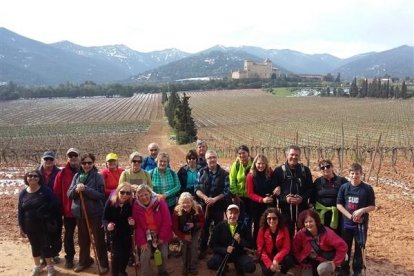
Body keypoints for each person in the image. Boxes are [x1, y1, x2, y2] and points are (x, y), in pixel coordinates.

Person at [67, 153, 109, 274]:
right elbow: (69, 194)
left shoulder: (97, 177)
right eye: (84, 163)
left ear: (93, 163)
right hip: (80, 213)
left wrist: (86, 189)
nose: (86, 165)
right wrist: (76, 189)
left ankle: (103, 264)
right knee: (83, 239)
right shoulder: (76, 176)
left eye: (89, 163)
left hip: (95, 213)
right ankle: (84, 261)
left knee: (99, 239)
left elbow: (101, 195)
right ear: (81, 164)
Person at [337, 163, 376, 276]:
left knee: (359, 246)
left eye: (357, 173)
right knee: (345, 246)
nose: (354, 176)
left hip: (361, 224)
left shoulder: (367, 189)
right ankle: (344, 269)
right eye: (352, 173)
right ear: (349, 174)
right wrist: (350, 216)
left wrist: (362, 210)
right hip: (346, 223)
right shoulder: (344, 187)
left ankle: (357, 270)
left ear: (361, 174)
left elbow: (372, 206)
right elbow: (339, 205)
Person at [18, 170, 59, 276]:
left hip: (43, 224)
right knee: (34, 245)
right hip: (29, 224)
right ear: (26, 178)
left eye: (35, 176)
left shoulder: (46, 191)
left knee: (45, 245)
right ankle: (37, 266)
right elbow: (20, 210)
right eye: (30, 176)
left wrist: (46, 214)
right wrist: (21, 227)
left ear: (39, 178)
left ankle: (50, 267)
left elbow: (54, 205)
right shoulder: (23, 193)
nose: (32, 178)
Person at [271, 145, 313, 238]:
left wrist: (302, 198)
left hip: (302, 208)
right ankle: (288, 251)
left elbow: (310, 188)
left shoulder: (305, 170)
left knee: (303, 232)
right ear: (287, 155)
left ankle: (301, 251)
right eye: (292, 154)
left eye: (296, 155)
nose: (294, 157)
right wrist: (285, 198)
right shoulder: (278, 171)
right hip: (285, 209)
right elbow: (274, 190)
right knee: (286, 232)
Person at [195, 150, 230, 260]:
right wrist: (205, 198)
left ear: (217, 158)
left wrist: (214, 199)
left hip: (218, 206)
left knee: (219, 228)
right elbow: (196, 189)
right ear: (206, 159)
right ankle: (203, 249)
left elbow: (226, 191)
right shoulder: (201, 172)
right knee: (204, 228)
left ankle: (217, 250)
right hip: (205, 206)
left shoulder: (224, 174)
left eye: (214, 157)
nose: (212, 160)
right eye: (209, 158)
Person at [132, 184, 172, 276]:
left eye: (146, 194)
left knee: (163, 254)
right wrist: (142, 242)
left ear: (150, 193)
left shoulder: (160, 202)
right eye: (141, 195)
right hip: (146, 234)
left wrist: (161, 237)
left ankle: (162, 272)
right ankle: (144, 274)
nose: (144, 197)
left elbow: (167, 221)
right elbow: (137, 226)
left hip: (160, 233)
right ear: (138, 197)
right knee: (145, 256)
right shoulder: (136, 206)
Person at [293, 209, 347, 276]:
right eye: (306, 222)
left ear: (315, 221)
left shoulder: (327, 232)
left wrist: (335, 262)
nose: (308, 224)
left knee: (322, 269)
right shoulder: (300, 234)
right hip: (310, 262)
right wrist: (301, 261)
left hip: (326, 260)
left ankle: (333, 272)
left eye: (311, 221)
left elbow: (343, 246)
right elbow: (295, 249)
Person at [207, 204, 256, 275]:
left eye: (235, 213)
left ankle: (239, 267)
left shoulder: (243, 226)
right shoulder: (219, 226)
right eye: (230, 213)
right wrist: (225, 249)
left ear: (238, 214)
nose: (233, 216)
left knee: (250, 267)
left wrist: (240, 241)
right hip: (223, 254)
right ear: (226, 213)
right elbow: (212, 245)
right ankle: (224, 268)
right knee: (212, 264)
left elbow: (250, 244)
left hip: (239, 254)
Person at [53, 148, 80, 269]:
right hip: (68, 211)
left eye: (75, 155)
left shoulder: (84, 170)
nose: (73, 158)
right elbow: (57, 192)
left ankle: (84, 257)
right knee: (69, 235)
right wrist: (60, 209)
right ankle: (69, 258)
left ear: (78, 157)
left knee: (83, 235)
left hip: (82, 211)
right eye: (70, 156)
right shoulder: (62, 173)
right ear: (67, 158)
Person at [103, 183, 135, 276]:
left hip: (127, 233)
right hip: (114, 233)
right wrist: (108, 224)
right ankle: (115, 273)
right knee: (116, 256)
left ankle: (122, 272)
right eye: (122, 192)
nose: (125, 195)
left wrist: (132, 221)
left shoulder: (131, 203)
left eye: (128, 193)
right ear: (118, 192)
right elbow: (104, 218)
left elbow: (135, 217)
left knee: (126, 254)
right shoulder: (110, 202)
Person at [246, 153, 279, 246]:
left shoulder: (270, 173)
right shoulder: (250, 176)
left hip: (270, 203)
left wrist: (277, 188)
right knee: (258, 225)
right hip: (257, 205)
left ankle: (270, 244)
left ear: (266, 164)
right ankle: (257, 246)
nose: (261, 166)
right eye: (259, 163)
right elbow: (250, 193)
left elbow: (275, 185)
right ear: (255, 164)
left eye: (263, 163)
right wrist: (262, 200)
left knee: (271, 224)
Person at [37, 150, 62, 264]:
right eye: (46, 159)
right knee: (41, 232)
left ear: (54, 161)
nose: (48, 161)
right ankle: (43, 256)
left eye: (50, 159)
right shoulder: (36, 173)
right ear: (42, 160)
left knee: (56, 231)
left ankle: (55, 253)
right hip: (39, 208)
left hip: (55, 207)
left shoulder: (59, 172)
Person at [172, 192, 205, 275]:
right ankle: (185, 266)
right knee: (184, 247)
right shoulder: (177, 211)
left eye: (188, 202)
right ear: (180, 203)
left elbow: (202, 222)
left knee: (193, 246)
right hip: (182, 232)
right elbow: (175, 228)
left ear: (192, 202)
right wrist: (183, 236)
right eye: (183, 202)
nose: (186, 205)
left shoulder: (197, 208)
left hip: (195, 230)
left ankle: (193, 266)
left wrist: (194, 225)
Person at [313, 159, 348, 236]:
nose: (325, 168)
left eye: (328, 166)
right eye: (322, 168)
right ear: (320, 170)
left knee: (338, 235)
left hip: (339, 214)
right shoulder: (317, 182)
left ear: (332, 167)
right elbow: (313, 197)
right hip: (322, 214)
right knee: (323, 235)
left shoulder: (342, 181)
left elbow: (348, 196)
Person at [256, 208, 295, 275]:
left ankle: (282, 271)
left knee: (289, 261)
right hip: (267, 256)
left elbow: (286, 247)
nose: (272, 220)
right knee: (268, 272)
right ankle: (275, 270)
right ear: (266, 219)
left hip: (280, 256)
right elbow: (261, 249)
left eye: (274, 218)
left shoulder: (284, 229)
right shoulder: (262, 230)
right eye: (269, 218)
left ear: (278, 219)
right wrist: (269, 263)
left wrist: (276, 259)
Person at [229, 145, 254, 247]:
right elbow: (232, 179)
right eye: (239, 153)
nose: (242, 155)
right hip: (239, 197)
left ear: (248, 153)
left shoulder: (253, 165)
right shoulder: (236, 165)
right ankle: (237, 239)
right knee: (239, 218)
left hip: (251, 197)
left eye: (244, 153)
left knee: (249, 219)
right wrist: (235, 194)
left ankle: (247, 241)